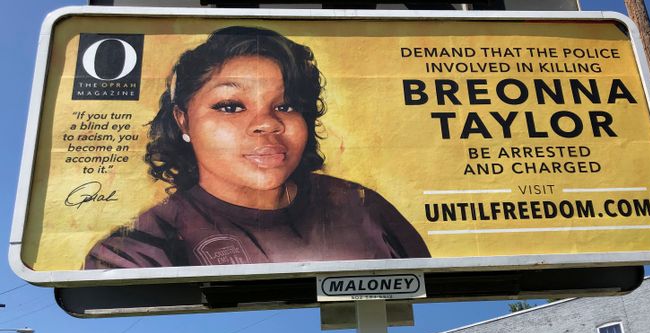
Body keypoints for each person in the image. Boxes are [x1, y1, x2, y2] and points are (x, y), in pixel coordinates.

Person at [85, 26, 430, 268]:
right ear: (183, 121)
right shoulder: (134, 252)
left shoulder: (362, 208)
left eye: (287, 105)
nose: (268, 123)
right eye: (231, 106)